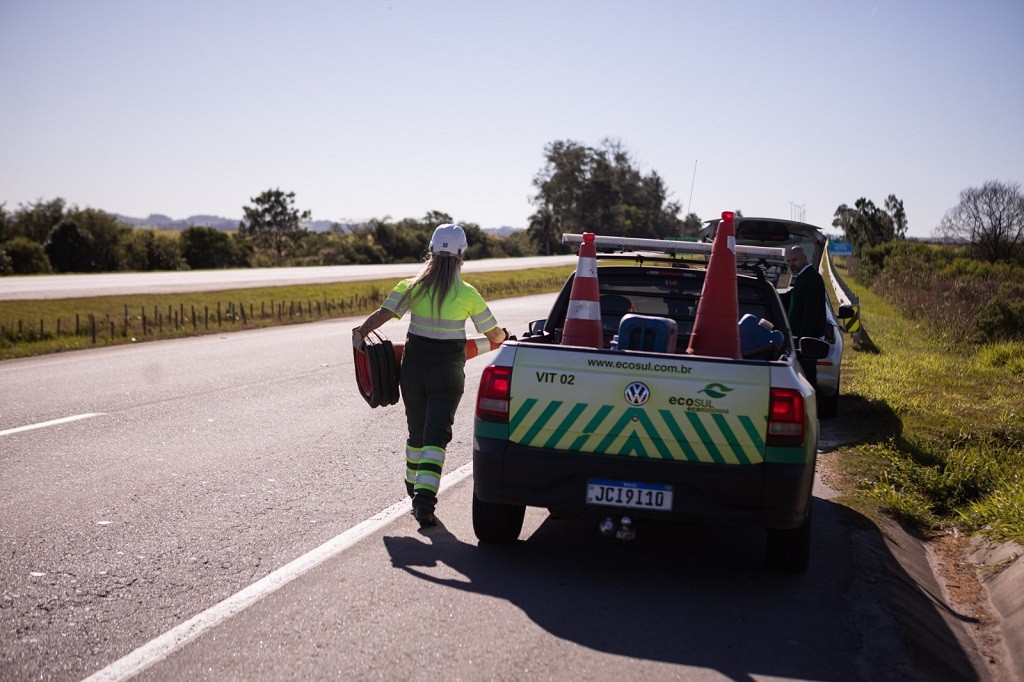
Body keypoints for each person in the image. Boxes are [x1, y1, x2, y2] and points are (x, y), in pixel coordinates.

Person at [353, 224, 509, 527]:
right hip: (447, 374)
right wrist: (503, 336)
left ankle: (413, 487)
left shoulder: (411, 286)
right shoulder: (468, 293)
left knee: (416, 433)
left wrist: (361, 333)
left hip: (412, 370)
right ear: (462, 254)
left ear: (431, 250)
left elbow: (381, 316)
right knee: (436, 437)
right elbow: (493, 334)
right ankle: (424, 502)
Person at [785, 245, 827, 388]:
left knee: (807, 376)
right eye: (789, 261)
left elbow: (811, 312)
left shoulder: (812, 278)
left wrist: (802, 339)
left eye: (794, 260)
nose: (791, 264)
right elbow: (793, 298)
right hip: (800, 339)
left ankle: (811, 400)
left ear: (804, 258)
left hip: (806, 341)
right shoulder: (803, 277)